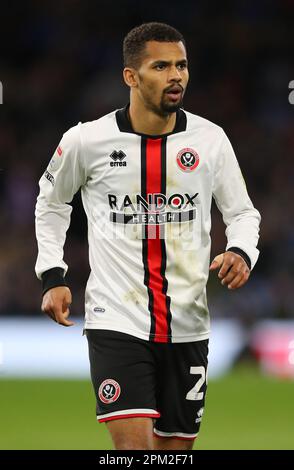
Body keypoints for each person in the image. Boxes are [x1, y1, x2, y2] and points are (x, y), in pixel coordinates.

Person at [35, 22, 261, 451]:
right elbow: (51, 204)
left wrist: (240, 251)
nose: (176, 75)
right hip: (115, 317)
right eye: (161, 66)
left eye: (182, 65)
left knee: (174, 453)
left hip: (189, 322)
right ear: (131, 77)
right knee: (134, 452)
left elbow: (243, 212)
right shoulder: (86, 140)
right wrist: (52, 273)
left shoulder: (210, 141)